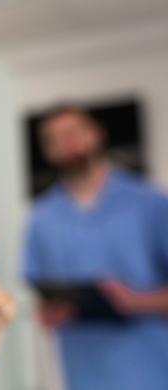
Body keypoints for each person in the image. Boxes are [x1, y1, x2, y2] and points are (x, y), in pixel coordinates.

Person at [23, 105, 168, 390]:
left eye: (72, 132)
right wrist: (50, 311)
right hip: (82, 374)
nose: (67, 142)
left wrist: (135, 300)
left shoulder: (150, 203)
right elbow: (38, 290)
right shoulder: (41, 219)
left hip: (149, 371)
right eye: (54, 138)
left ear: (96, 133)